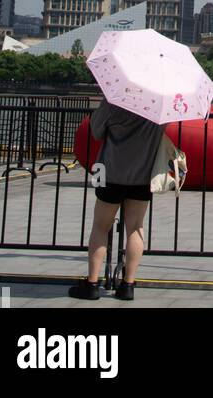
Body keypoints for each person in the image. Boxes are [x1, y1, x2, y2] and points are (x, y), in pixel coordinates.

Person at [69, 98, 167, 301]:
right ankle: (128, 285)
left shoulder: (115, 100)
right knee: (136, 227)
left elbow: (96, 131)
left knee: (100, 226)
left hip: (109, 171)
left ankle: (92, 283)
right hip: (142, 174)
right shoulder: (160, 103)